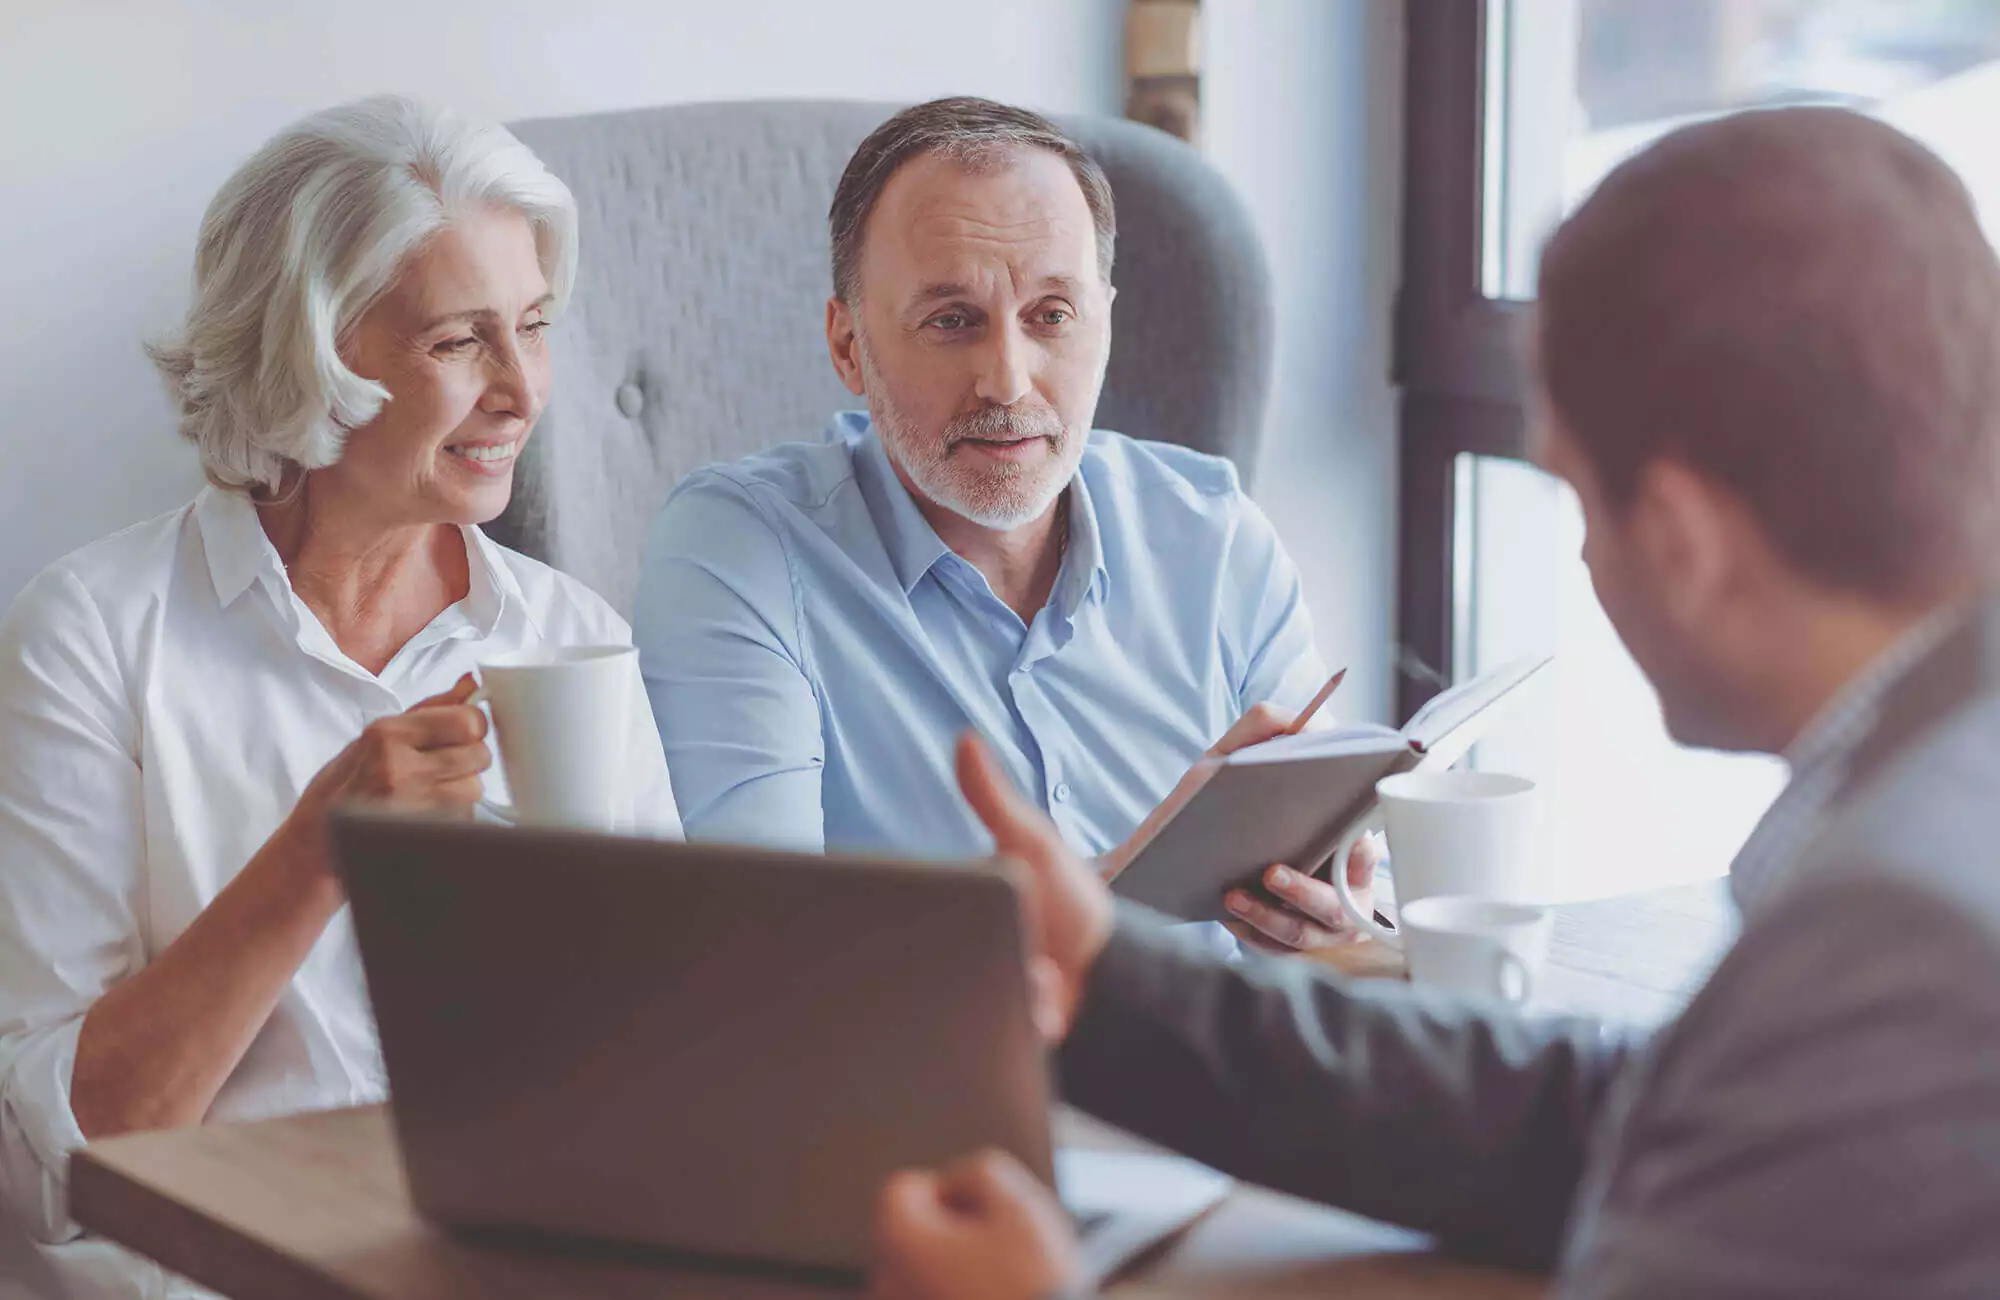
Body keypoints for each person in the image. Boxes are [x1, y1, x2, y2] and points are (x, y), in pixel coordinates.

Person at [866, 107, 2000, 1299]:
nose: (1579, 564)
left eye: (1571, 499)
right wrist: (1114, 980)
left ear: (1681, 540)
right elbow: (1631, 1122)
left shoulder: (1897, 933)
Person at [0, 96, 680, 1300]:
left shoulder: (574, 642)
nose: (524, 390)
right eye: (460, 340)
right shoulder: (98, 635)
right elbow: (67, 1147)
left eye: (532, 325)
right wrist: (319, 848)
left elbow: (661, 1066)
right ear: (309, 351)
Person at [632, 97, 1377, 956]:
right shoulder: (739, 551)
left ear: (1103, 324)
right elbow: (764, 957)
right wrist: (1141, 878)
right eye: (952, 321)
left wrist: (1330, 911)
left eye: (1051, 316)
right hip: (930, 1089)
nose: (1007, 382)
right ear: (847, 345)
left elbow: (1353, 906)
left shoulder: (1213, 535)